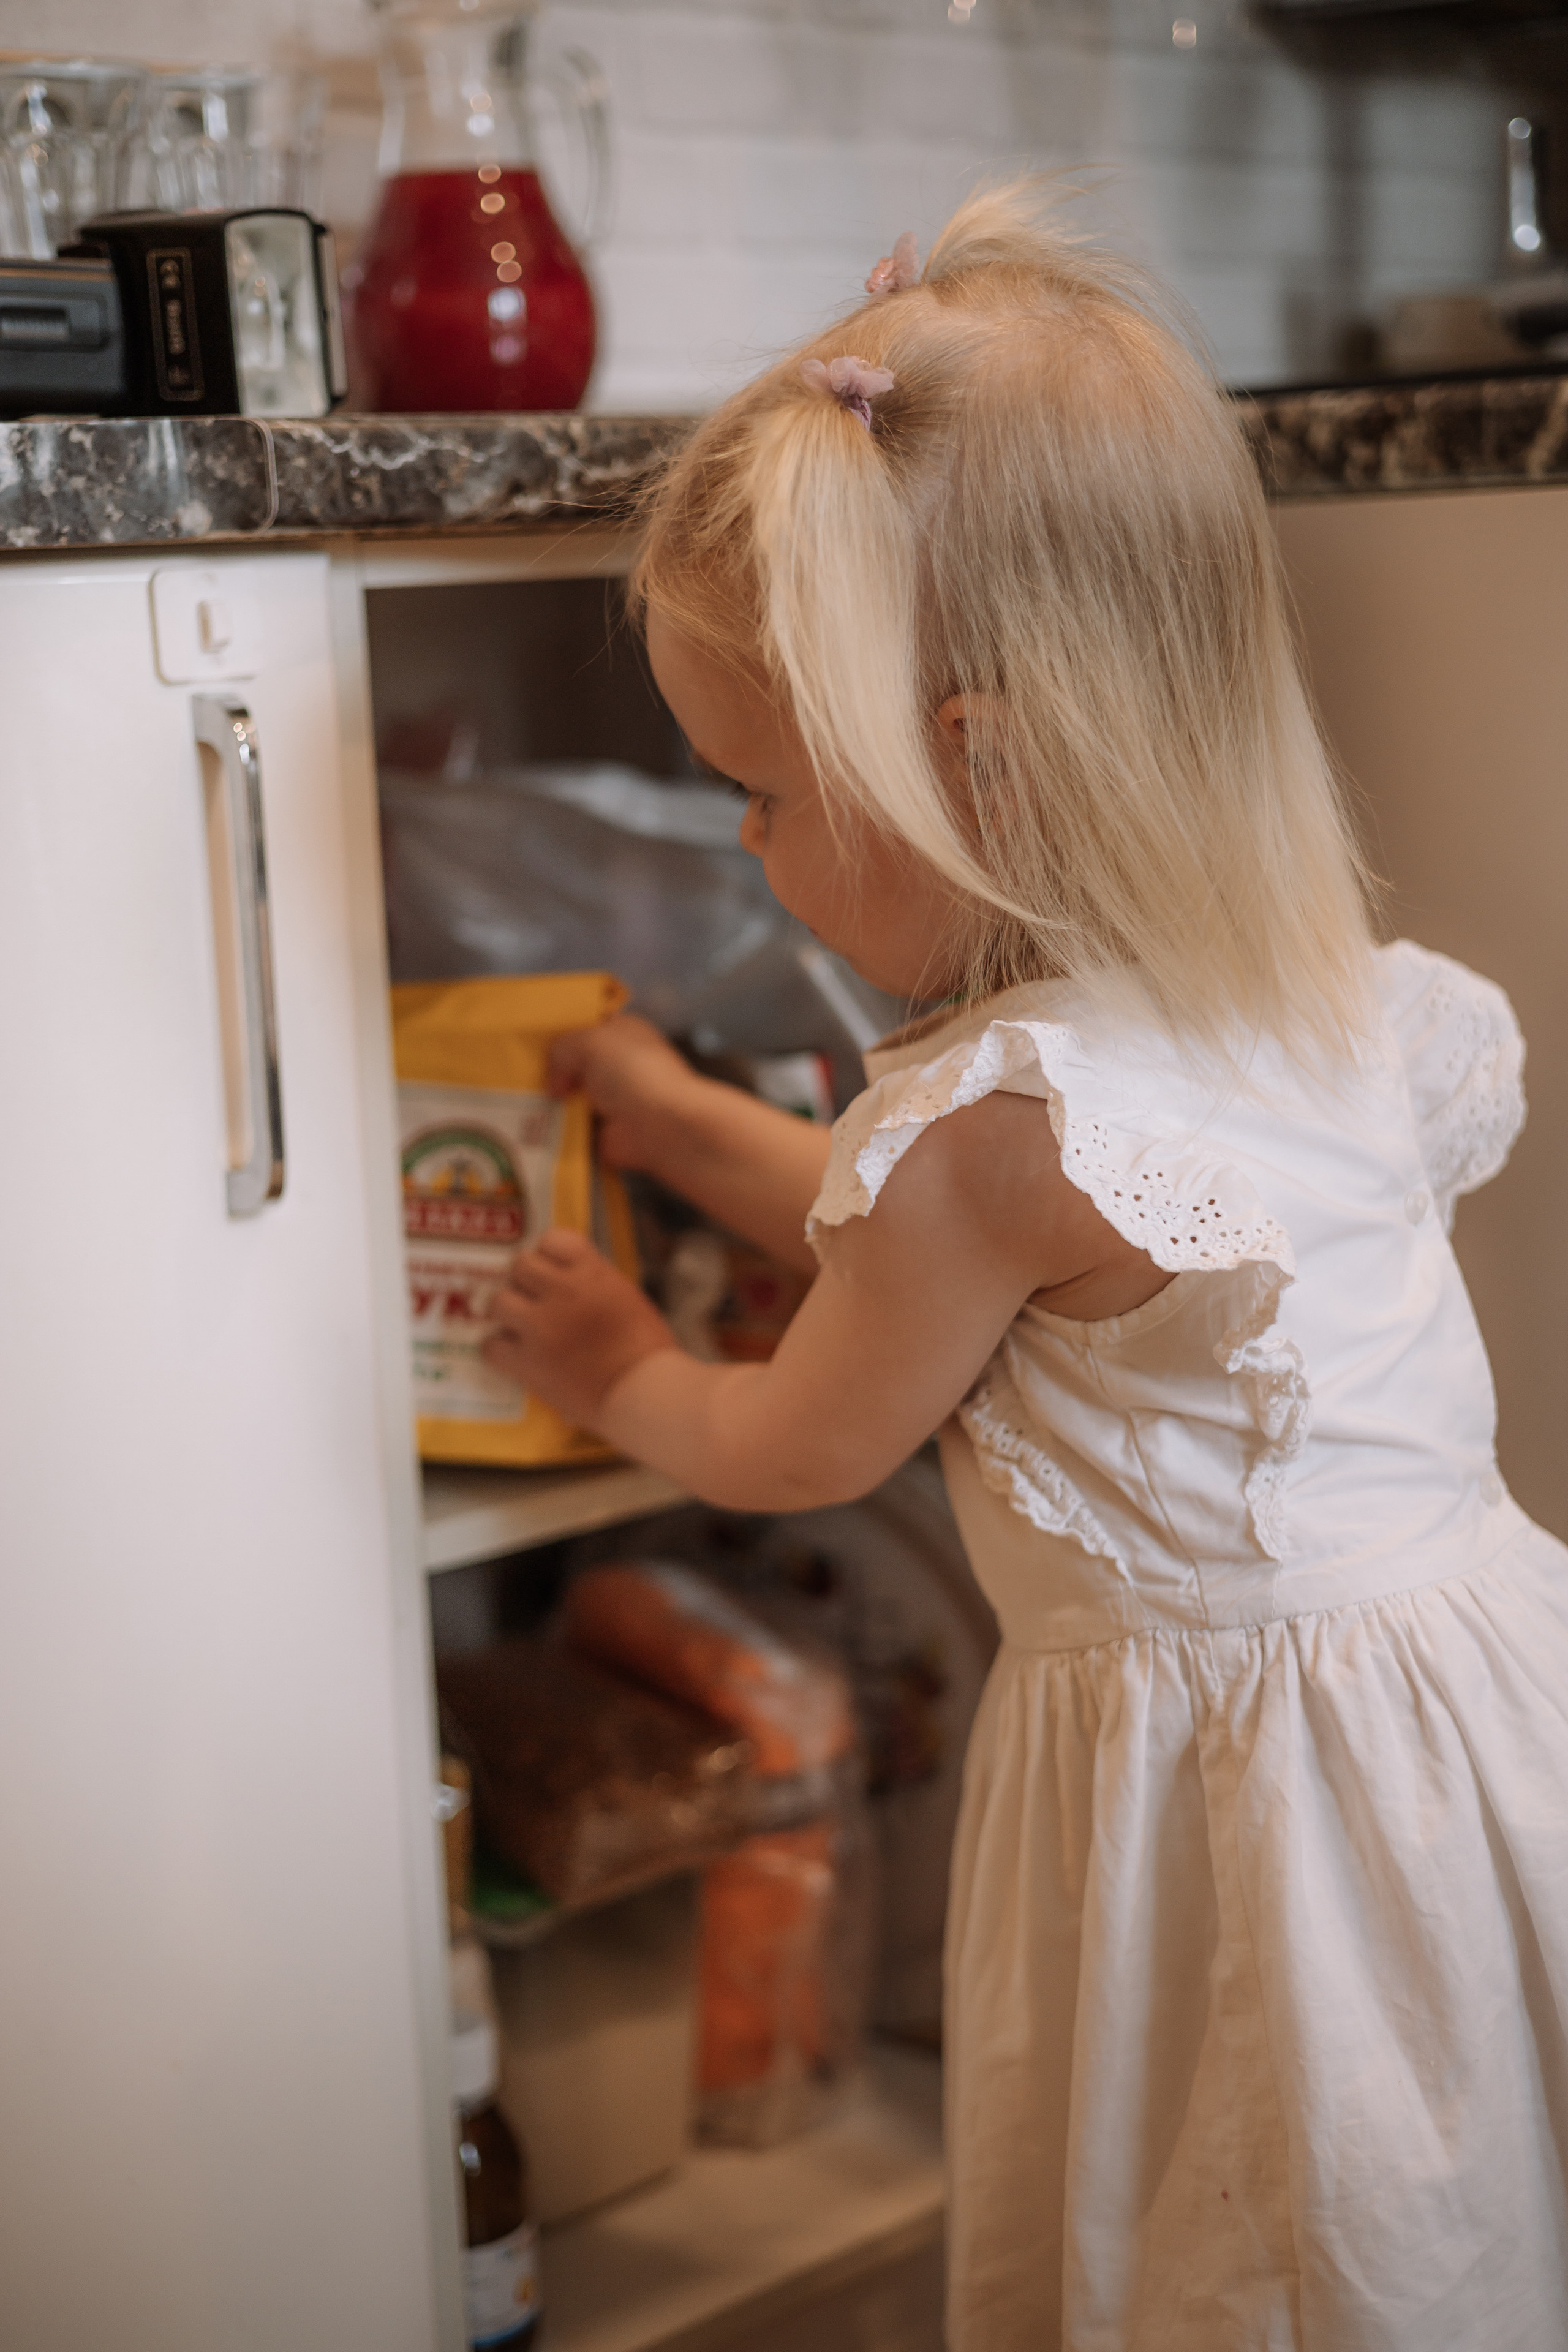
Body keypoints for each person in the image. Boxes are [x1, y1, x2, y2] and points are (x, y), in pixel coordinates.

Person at [483, 183, 1568, 2350]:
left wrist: (614, 1365)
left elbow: (802, 1433)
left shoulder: (988, 1138)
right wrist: (688, 1124)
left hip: (1254, 1828)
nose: (743, 849)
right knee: (1474, 2203)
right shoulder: (1313, 996)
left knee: (1263, 2233)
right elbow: (983, 1250)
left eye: (765, 797)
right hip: (1482, 1720)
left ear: (957, 771)